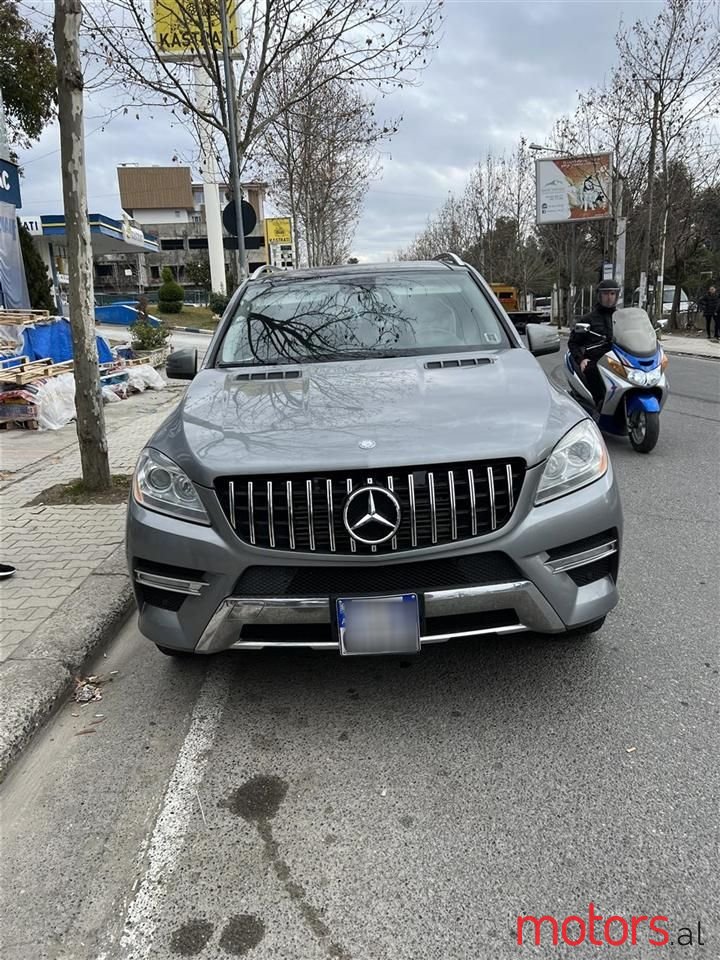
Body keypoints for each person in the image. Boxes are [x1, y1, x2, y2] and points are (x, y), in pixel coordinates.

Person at [568, 278, 619, 408]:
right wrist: (581, 359)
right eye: (606, 293)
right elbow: (573, 343)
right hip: (596, 358)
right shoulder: (588, 319)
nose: (609, 297)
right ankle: (599, 403)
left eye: (612, 294)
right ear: (599, 295)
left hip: (617, 358)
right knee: (591, 369)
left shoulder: (621, 317)